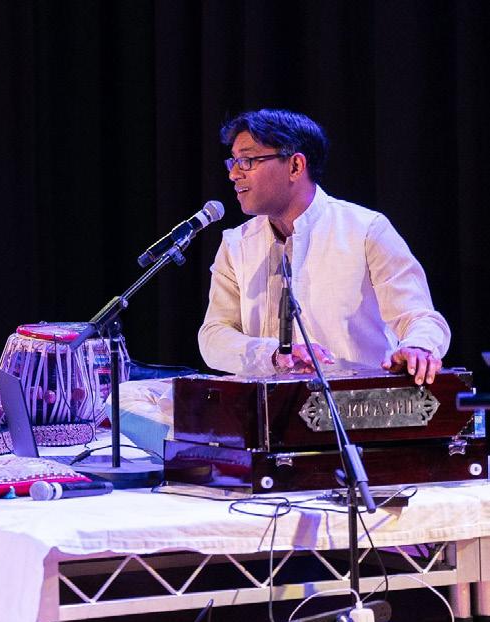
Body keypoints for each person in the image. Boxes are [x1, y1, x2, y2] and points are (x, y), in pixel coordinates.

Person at [120, 109, 450, 451]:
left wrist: (418, 347)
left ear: (295, 166)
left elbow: (421, 317)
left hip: (351, 408)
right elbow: (213, 336)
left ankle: (209, 453)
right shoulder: (236, 244)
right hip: (264, 409)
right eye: (232, 162)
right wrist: (274, 355)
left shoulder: (366, 230)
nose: (233, 174)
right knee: (125, 397)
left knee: (198, 428)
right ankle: (208, 453)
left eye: (247, 161)